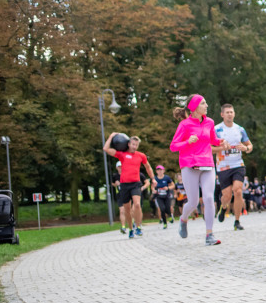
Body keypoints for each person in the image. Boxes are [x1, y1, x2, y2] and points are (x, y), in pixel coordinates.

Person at [169, 94, 229, 246]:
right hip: (189, 165)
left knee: (209, 198)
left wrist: (221, 141)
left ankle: (209, 235)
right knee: (194, 202)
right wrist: (187, 141)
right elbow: (173, 146)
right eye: (203, 103)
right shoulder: (185, 125)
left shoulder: (209, 122)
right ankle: (183, 219)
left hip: (207, 164)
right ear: (195, 107)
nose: (207, 106)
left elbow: (213, 140)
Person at [104, 133, 157, 239]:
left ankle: (138, 227)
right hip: (124, 185)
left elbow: (148, 167)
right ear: (128, 144)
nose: (134, 147)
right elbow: (106, 149)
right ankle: (130, 229)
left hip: (136, 184)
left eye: (136, 145)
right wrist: (111, 136)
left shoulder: (141, 155)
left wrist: (153, 179)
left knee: (137, 205)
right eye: (133, 144)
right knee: (127, 209)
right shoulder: (122, 154)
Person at [214, 103, 253, 231]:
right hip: (223, 166)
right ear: (222, 114)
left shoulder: (240, 129)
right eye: (227, 112)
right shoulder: (216, 129)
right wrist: (221, 148)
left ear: (234, 114)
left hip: (238, 164)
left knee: (238, 191)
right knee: (227, 196)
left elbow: (250, 145)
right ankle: (223, 207)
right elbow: (209, 149)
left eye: (231, 112)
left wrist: (246, 148)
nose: (230, 114)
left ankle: (237, 221)